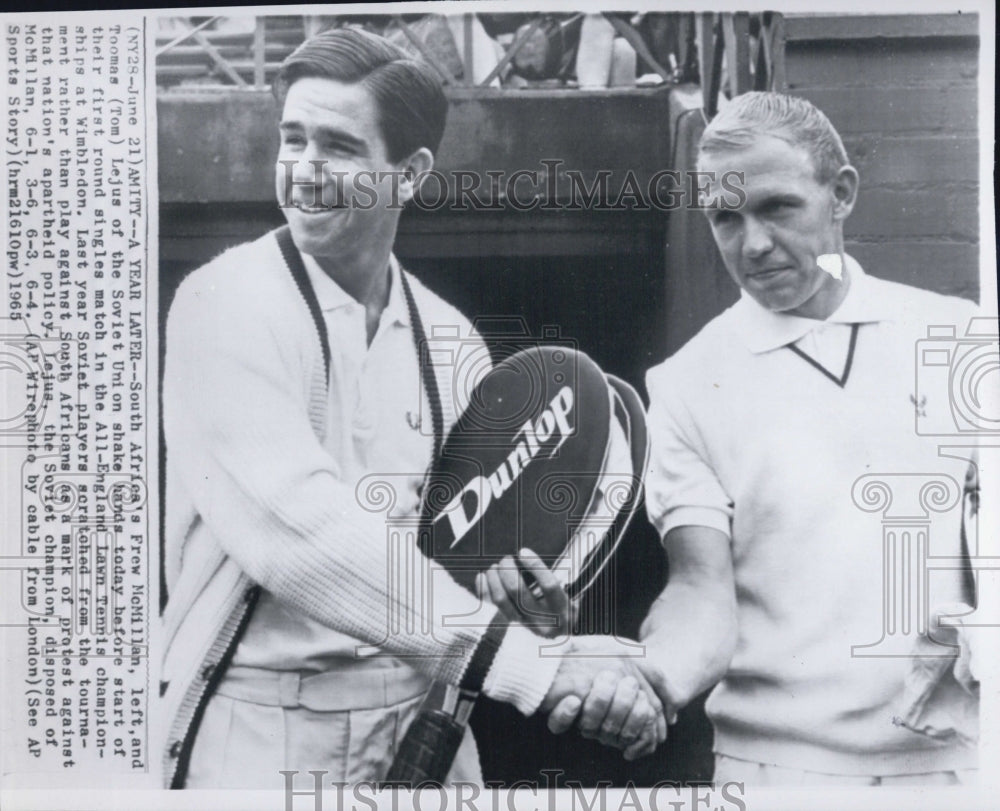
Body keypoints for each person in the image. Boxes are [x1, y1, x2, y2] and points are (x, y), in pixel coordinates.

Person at [158, 28, 664, 790]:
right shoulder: (222, 303)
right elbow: (304, 532)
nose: (304, 169)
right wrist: (539, 665)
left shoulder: (450, 334)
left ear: (410, 172)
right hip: (258, 725)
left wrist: (536, 610)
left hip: (424, 719)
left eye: (338, 145)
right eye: (291, 138)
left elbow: (468, 557)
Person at [550, 91, 980, 784]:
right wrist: (650, 680)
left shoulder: (957, 336)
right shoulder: (686, 384)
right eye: (726, 217)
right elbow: (700, 586)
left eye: (778, 207)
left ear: (839, 193)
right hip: (775, 773)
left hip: (960, 769)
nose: (752, 244)